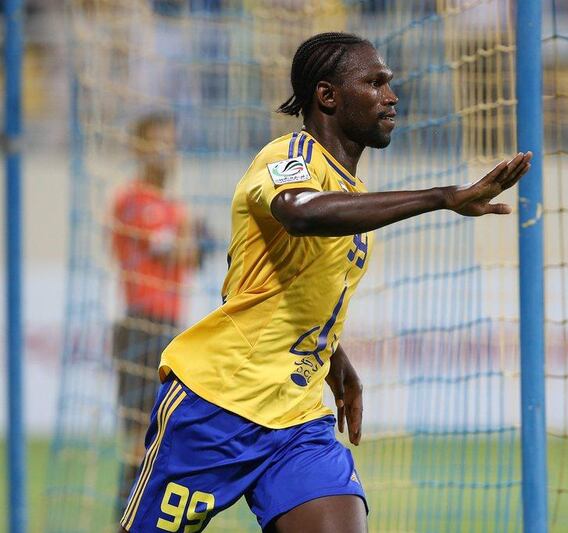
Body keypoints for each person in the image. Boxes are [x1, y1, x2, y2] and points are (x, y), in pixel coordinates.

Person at [119, 32, 531, 533]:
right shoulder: (287, 157)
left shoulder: (352, 192)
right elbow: (301, 214)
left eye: (390, 83)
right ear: (328, 95)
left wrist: (334, 357)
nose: (391, 95)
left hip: (298, 420)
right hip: (218, 405)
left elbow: (294, 287)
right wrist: (442, 196)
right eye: (375, 82)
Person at [110, 112, 201, 517]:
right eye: (157, 142)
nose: (166, 151)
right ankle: (127, 518)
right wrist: (191, 234)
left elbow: (192, 255)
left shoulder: (173, 206)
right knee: (139, 433)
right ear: (138, 148)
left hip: (168, 328)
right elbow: (174, 249)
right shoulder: (132, 200)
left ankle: (140, 516)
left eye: (171, 142)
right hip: (141, 324)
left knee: (164, 434)